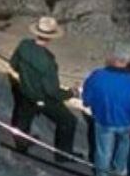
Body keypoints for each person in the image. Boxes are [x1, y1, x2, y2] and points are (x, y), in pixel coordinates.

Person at [82, 41, 130, 176]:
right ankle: (120, 169)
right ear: (128, 59)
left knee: (103, 150)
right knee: (124, 143)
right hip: (126, 123)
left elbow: (87, 99)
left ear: (112, 56)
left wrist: (92, 105)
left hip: (103, 120)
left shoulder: (97, 76)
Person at [9, 16, 78, 161]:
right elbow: (51, 90)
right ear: (51, 37)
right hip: (42, 98)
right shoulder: (48, 61)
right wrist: (70, 93)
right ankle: (62, 155)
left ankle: (21, 146)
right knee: (68, 121)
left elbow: (14, 64)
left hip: (25, 92)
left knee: (24, 118)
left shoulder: (24, 45)